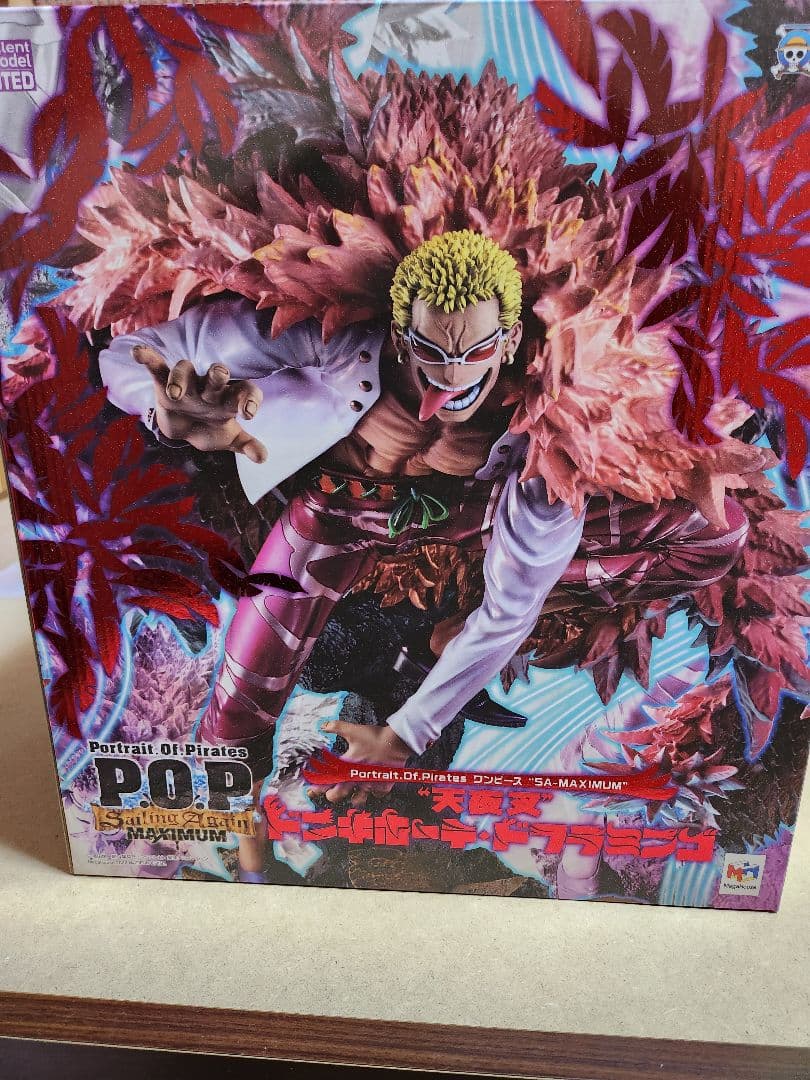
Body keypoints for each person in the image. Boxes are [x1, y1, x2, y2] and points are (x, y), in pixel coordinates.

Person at [100, 231, 588, 880]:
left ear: (509, 337)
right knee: (241, 696)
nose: (450, 374)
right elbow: (132, 357)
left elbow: (511, 609)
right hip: (334, 510)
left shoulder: (545, 428)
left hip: (461, 533)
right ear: (400, 333)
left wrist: (405, 735)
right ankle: (249, 862)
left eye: (474, 351)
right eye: (431, 349)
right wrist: (164, 407)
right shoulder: (332, 335)